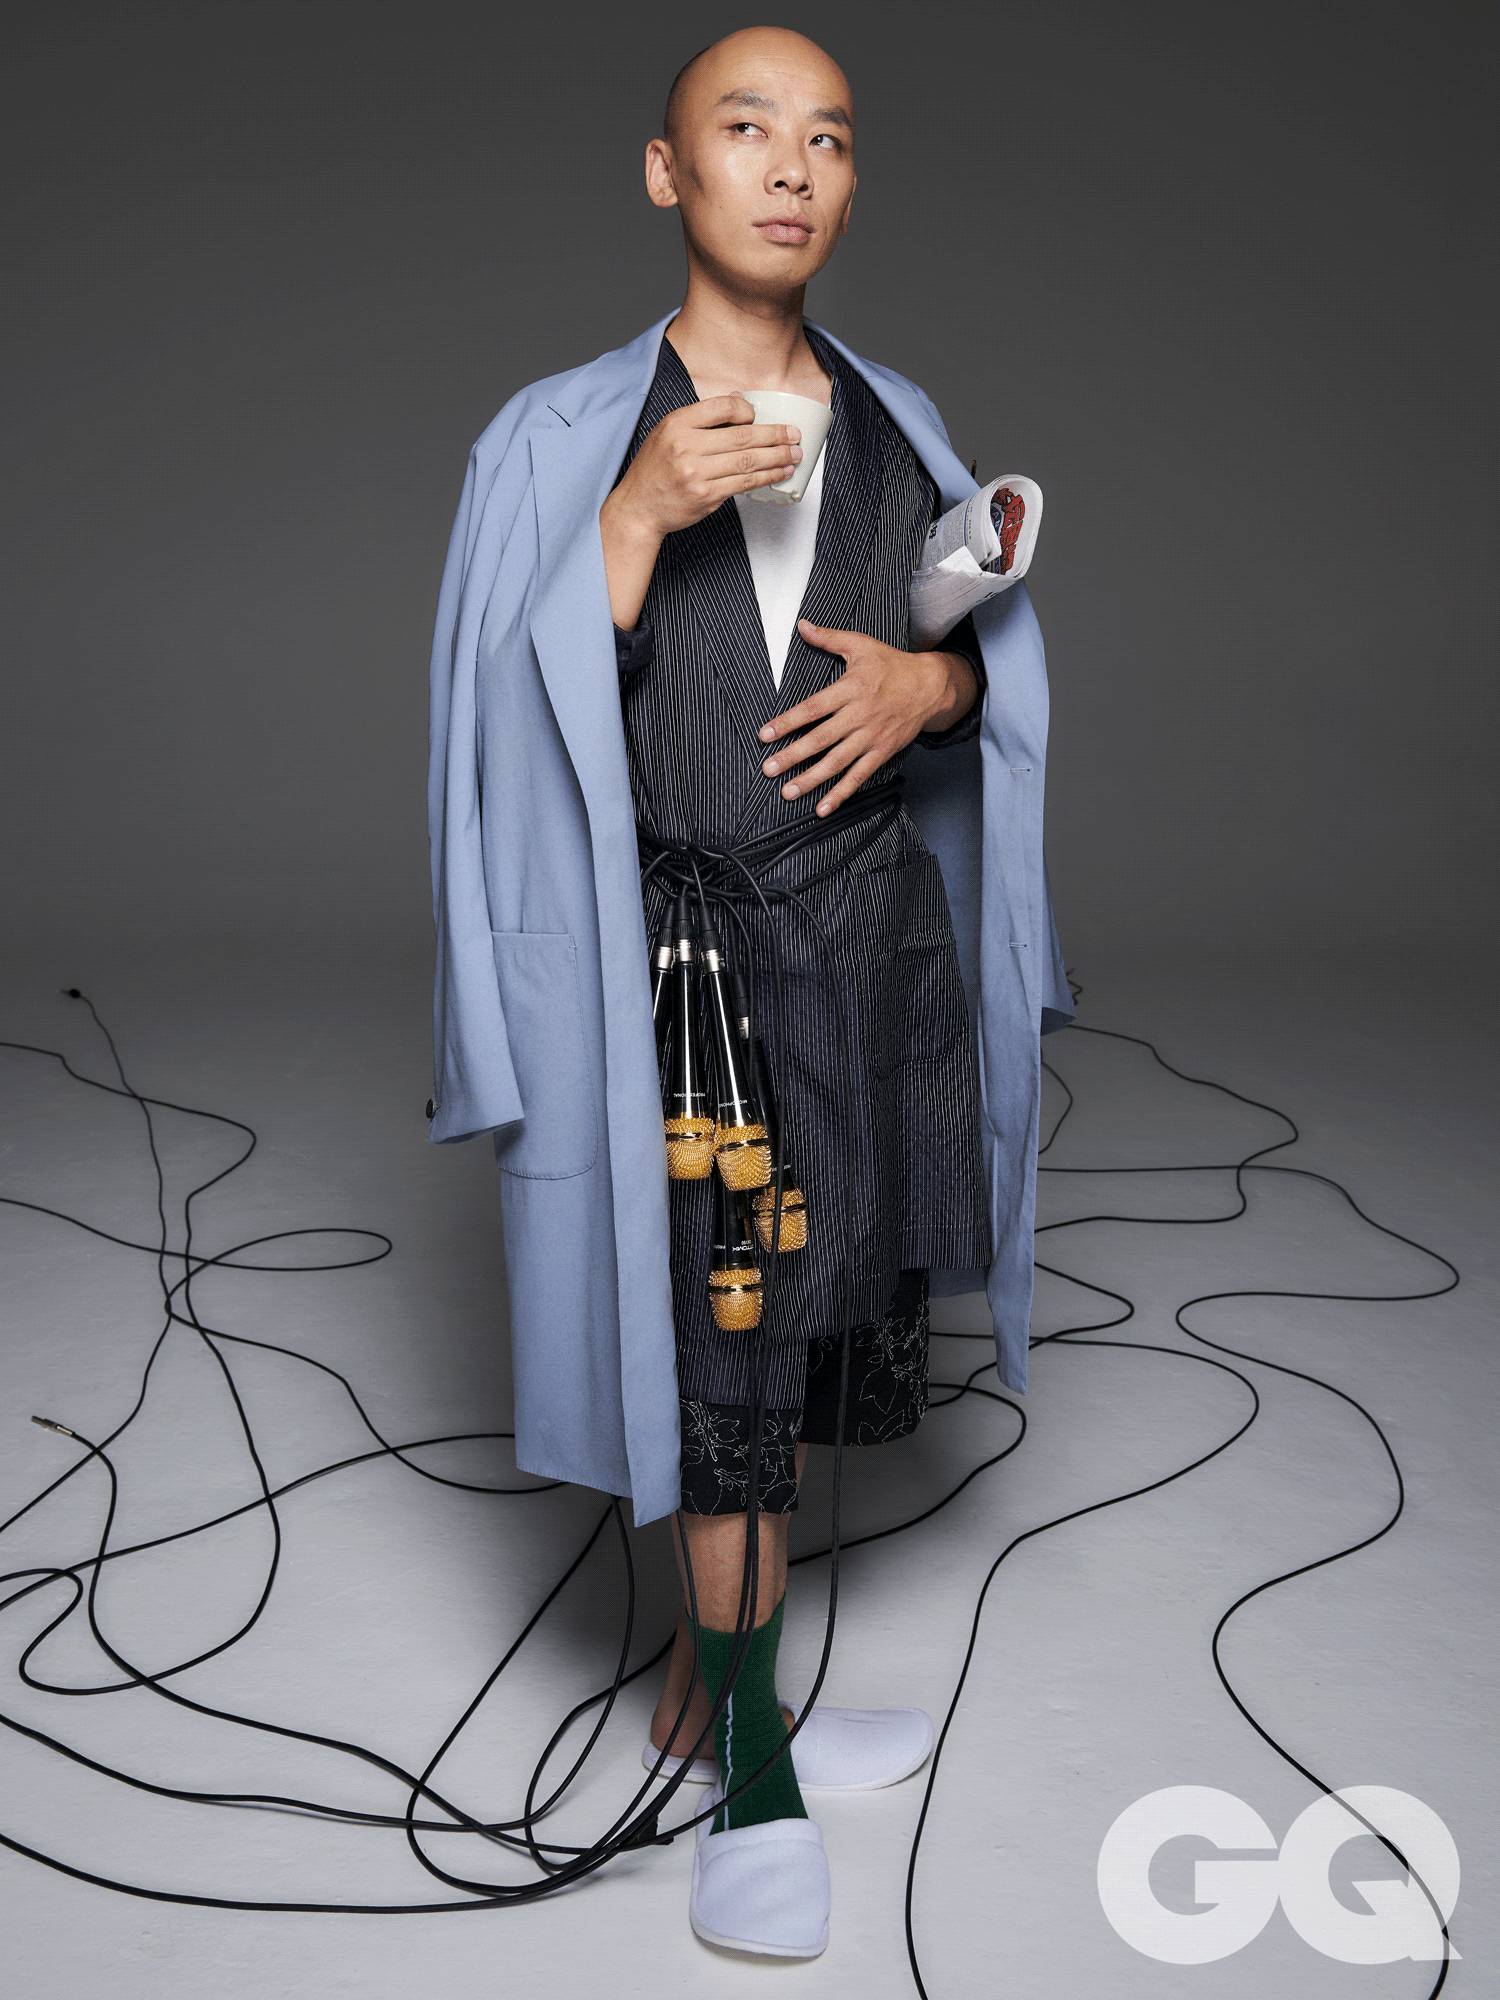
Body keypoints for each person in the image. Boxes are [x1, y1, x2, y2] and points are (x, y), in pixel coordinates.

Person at [596, 24, 990, 1956]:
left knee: (806, 1334)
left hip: (858, 944)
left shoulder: (895, 423)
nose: (790, 166)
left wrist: (941, 683)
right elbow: (501, 712)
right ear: (668, 172)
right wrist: (632, 520)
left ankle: (717, 1696)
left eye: (827, 138)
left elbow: (965, 662)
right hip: (690, 963)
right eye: (745, 128)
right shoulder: (576, 434)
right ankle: (750, 1769)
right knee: (722, 1361)